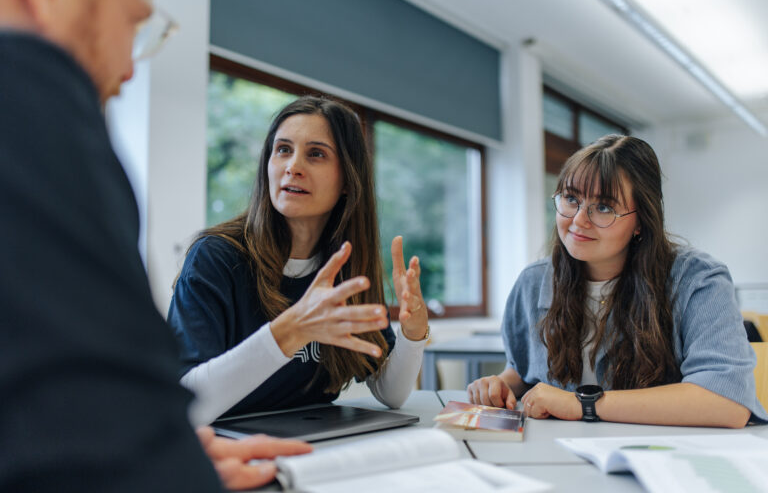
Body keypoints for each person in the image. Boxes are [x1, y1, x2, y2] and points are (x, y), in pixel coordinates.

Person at [0, 0, 311, 490]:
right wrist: (158, 461)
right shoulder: (30, 97)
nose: (128, 71)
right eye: (133, 20)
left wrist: (157, 445)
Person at [468, 135, 768, 428]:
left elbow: (727, 403)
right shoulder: (533, 282)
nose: (578, 220)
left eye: (604, 207)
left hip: (661, 456)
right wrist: (499, 386)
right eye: (572, 199)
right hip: (561, 452)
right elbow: (523, 372)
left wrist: (582, 404)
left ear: (640, 221)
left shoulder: (698, 281)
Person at [167, 96, 429, 426]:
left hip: (315, 446)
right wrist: (291, 332)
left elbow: (389, 392)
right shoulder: (215, 257)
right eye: (283, 150)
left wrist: (413, 333)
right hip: (227, 451)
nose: (293, 166)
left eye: (316, 154)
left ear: (347, 180)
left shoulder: (344, 265)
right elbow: (185, 403)